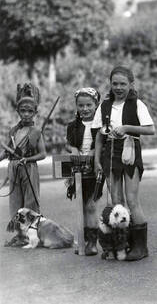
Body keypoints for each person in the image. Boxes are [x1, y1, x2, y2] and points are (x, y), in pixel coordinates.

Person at [92, 66, 155, 261]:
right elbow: (99, 136)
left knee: (132, 199)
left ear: (131, 84)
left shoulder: (137, 104)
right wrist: (96, 160)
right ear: (110, 84)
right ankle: (121, 243)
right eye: (115, 83)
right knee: (116, 201)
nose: (118, 87)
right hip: (109, 154)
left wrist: (126, 127)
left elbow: (150, 129)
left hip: (130, 151)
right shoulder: (104, 106)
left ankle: (140, 247)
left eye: (123, 84)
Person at [2, 83, 46, 247]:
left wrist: (28, 159)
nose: (26, 114)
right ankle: (20, 236)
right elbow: (7, 152)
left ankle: (33, 235)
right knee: (15, 202)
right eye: (23, 111)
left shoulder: (36, 132)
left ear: (35, 112)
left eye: (30, 111)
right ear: (18, 112)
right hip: (13, 169)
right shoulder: (13, 131)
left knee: (30, 202)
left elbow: (43, 154)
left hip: (29, 169)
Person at [65, 87, 104, 256]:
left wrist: (96, 151)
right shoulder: (73, 125)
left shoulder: (101, 124)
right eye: (81, 105)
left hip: (95, 168)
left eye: (89, 105)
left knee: (90, 205)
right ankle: (84, 242)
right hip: (78, 168)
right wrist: (72, 148)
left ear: (96, 104)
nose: (85, 109)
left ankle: (93, 243)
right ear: (77, 106)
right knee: (80, 205)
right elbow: (69, 143)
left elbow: (104, 143)